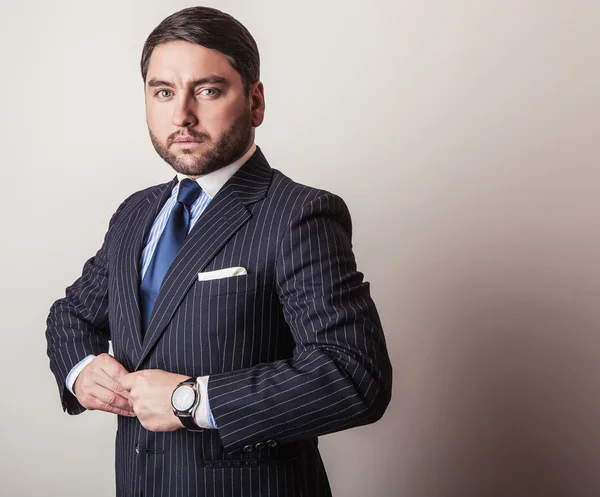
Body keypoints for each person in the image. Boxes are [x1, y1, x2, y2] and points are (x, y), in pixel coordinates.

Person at [45, 6, 392, 496]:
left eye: (207, 90)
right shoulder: (135, 213)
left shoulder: (299, 214)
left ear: (255, 102)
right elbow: (71, 314)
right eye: (163, 92)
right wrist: (81, 371)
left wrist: (191, 401)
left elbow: (354, 375)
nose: (182, 114)